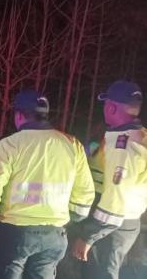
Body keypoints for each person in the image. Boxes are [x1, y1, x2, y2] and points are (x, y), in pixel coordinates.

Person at [0, 89, 95, 279]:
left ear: (19, 115)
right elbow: (84, 195)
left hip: (14, 233)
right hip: (55, 235)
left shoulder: (9, 144)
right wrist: (72, 218)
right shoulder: (72, 145)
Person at [72, 80, 147, 279]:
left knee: (99, 275)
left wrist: (89, 236)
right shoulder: (141, 136)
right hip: (128, 221)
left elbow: (116, 197)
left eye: (106, 104)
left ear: (111, 107)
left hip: (111, 225)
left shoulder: (122, 143)